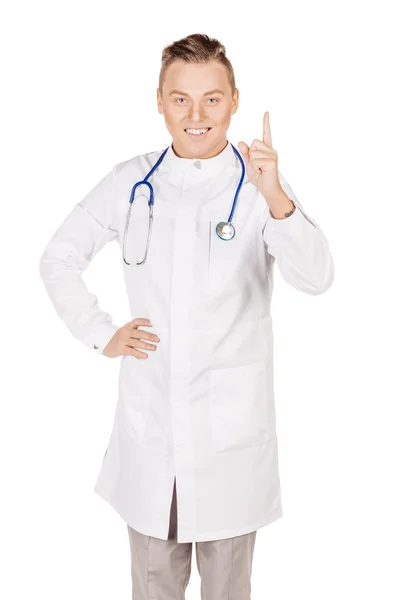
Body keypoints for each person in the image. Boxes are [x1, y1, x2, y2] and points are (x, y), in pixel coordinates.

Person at [39, 32, 334, 599]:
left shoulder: (259, 183)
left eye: (212, 98)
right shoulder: (131, 181)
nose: (196, 115)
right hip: (152, 433)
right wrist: (103, 333)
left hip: (231, 438)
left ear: (234, 99)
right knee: (153, 587)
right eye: (181, 99)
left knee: (227, 589)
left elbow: (317, 278)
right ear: (159, 101)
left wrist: (276, 197)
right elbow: (57, 259)